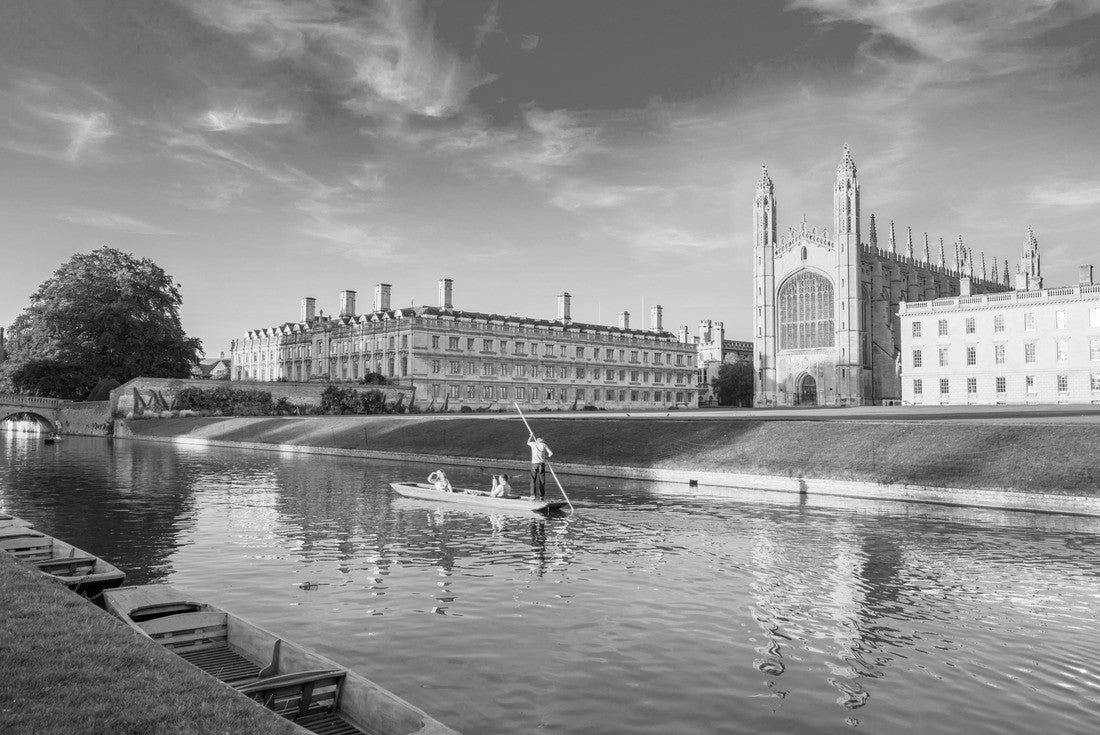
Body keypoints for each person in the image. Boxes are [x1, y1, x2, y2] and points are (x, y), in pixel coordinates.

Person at [526, 435, 552, 500]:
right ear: (541, 439)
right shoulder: (544, 445)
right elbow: (551, 453)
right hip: (541, 464)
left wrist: (530, 436)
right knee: (542, 481)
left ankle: (533, 495)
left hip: (534, 464)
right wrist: (547, 457)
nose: (543, 440)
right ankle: (542, 496)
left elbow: (527, 442)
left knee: (533, 480)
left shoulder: (533, 444)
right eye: (543, 439)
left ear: (537, 439)